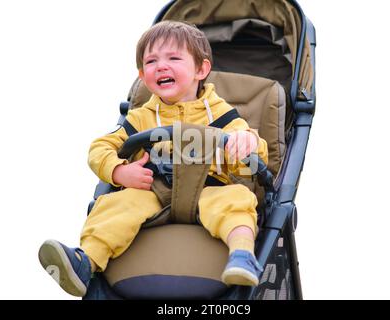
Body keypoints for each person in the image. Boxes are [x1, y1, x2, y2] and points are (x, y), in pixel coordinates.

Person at [38, 20, 268, 297]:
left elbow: (251, 149)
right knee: (116, 205)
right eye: (151, 61)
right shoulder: (140, 117)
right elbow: (100, 148)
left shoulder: (221, 114)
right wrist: (119, 172)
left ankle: (242, 255)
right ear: (142, 75)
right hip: (153, 192)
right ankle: (86, 261)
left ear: (201, 69)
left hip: (210, 189)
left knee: (238, 201)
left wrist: (247, 142)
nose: (161, 66)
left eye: (173, 58)